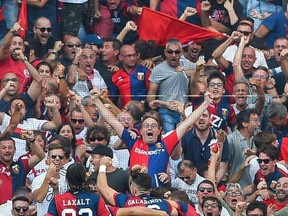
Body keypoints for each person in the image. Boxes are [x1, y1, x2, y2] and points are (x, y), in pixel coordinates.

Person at [92, 87, 213, 187]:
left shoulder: (166, 143)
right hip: (136, 195)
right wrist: (96, 100)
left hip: (159, 195)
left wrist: (206, 103)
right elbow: (112, 121)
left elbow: (188, 122)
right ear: (141, 130)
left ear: (160, 130)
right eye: (146, 126)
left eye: (153, 126)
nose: (149, 128)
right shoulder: (133, 141)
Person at [47, 162, 168, 216]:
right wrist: (159, 213)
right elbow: (132, 211)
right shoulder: (95, 199)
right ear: (85, 178)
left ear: (67, 179)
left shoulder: (58, 201)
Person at [97, 157, 178, 215]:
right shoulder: (165, 204)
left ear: (134, 190)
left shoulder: (125, 201)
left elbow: (102, 187)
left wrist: (102, 165)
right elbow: (175, 213)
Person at [147, 38, 190, 133]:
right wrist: (160, 104)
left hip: (184, 110)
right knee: (169, 137)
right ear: (165, 53)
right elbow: (151, 95)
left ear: (182, 52)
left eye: (177, 52)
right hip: (165, 110)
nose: (174, 55)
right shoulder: (158, 69)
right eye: (170, 52)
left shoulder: (188, 66)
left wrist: (186, 71)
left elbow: (199, 76)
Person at [0, 132, 45, 205]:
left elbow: (41, 155)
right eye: (3, 148)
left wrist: (32, 140)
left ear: (14, 150)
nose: (7, 150)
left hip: (19, 210)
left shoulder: (21, 165)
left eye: (10, 147)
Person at [31, 143, 69, 216]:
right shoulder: (38, 179)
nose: (57, 159)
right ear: (47, 160)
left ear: (63, 160)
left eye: (60, 157)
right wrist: (48, 176)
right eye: (54, 156)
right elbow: (39, 198)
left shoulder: (67, 179)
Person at [227, 109, 260, 187]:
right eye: (255, 121)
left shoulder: (260, 136)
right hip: (236, 186)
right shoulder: (231, 140)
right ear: (245, 124)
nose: (258, 124)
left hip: (256, 186)